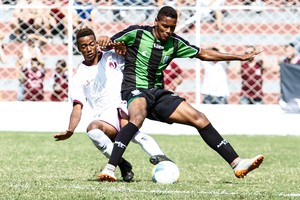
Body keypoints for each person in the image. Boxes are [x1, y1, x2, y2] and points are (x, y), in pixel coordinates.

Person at [97, 6, 264, 182]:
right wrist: (105, 40)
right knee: (137, 116)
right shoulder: (136, 33)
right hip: (134, 89)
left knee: (199, 118)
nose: (168, 31)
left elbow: (204, 54)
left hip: (158, 93)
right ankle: (110, 169)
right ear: (155, 22)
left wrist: (239, 57)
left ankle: (237, 163)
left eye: (172, 27)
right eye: (164, 26)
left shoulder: (175, 43)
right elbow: (111, 43)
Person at [53, 27, 172, 182]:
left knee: (136, 135)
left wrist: (114, 43)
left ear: (96, 43)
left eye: (91, 44)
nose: (88, 49)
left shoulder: (112, 56)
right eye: (83, 46)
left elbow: (130, 49)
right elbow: (77, 106)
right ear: (78, 49)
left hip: (125, 106)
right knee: (92, 130)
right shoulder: (79, 76)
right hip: (105, 117)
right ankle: (123, 164)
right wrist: (70, 129)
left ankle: (163, 161)